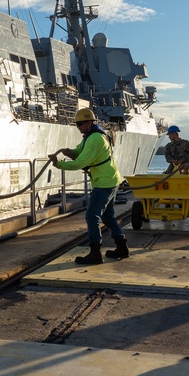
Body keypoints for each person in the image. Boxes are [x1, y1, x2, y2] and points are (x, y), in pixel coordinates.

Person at [49, 108, 128, 263]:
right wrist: (69, 152)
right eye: (77, 124)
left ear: (89, 122)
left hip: (104, 182)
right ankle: (122, 247)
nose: (78, 127)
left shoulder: (95, 139)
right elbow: (79, 151)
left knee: (92, 215)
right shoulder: (90, 136)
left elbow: (81, 162)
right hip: (109, 180)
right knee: (107, 215)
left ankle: (95, 252)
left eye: (80, 124)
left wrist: (58, 164)